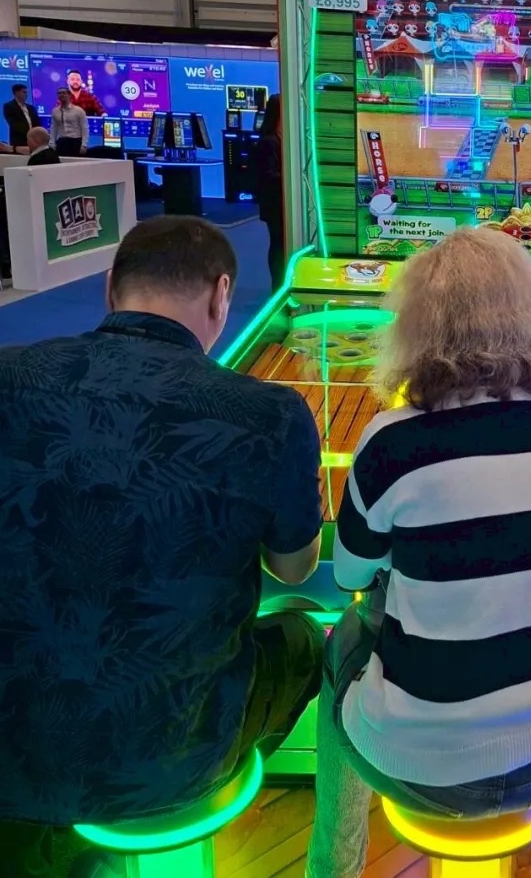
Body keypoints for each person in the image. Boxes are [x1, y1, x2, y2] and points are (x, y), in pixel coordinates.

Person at [306, 227, 531, 878]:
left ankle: (332, 865)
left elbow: (350, 575)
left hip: (419, 768)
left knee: (345, 634)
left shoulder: (391, 443)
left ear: (415, 328)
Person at [0, 216, 326, 864]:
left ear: (110, 287)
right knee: (304, 631)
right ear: (222, 295)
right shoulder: (269, 414)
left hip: (12, 744)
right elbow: (294, 570)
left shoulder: (9, 377)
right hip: (173, 756)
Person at [254, 93, 287, 290]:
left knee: (280, 247)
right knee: (278, 246)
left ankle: (281, 285)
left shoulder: (279, 139)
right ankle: (277, 288)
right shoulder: (269, 142)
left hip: (280, 204)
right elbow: (268, 175)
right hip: (275, 205)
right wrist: (289, 178)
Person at [49, 87, 88, 156]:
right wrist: (52, 143)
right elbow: (54, 128)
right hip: (62, 141)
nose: (61, 95)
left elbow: (84, 128)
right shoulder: (55, 111)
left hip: (76, 141)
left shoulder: (78, 110)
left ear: (69, 95)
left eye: (64, 93)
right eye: (59, 93)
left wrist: (84, 144)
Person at [3, 83, 40, 149]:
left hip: (34, 140)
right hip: (19, 141)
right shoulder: (9, 106)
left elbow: (37, 123)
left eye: (27, 92)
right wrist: (29, 134)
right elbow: (14, 124)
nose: (26, 94)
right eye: (24, 92)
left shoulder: (31, 108)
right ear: (16, 93)